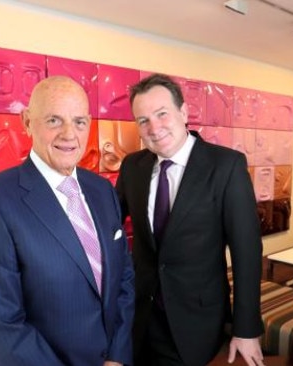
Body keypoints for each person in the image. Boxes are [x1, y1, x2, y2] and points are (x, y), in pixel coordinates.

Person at [0, 76, 134, 365]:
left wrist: (117, 355)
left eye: (79, 122)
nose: (70, 134)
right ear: (27, 122)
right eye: (54, 120)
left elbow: (124, 279)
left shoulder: (102, 190)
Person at [116, 74, 265, 366]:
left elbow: (247, 252)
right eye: (143, 120)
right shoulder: (132, 166)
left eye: (162, 114)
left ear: (183, 113)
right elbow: (108, 224)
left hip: (197, 321)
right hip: (141, 316)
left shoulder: (226, 166)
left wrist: (246, 329)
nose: (154, 128)